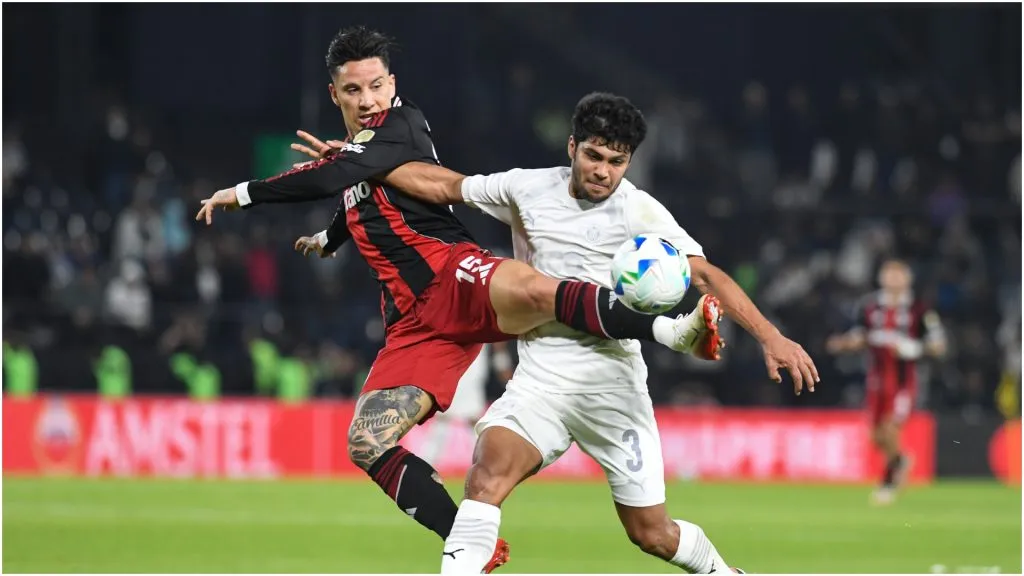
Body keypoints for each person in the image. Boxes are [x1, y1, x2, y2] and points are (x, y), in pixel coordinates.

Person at [195, 26, 746, 572]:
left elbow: (339, 174)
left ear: (393, 84)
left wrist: (244, 194)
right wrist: (329, 236)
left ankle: (673, 330)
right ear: (334, 93)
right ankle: (466, 541)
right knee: (367, 442)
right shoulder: (358, 156)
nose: (369, 101)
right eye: (355, 91)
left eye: (377, 85)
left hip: (451, 269)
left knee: (535, 287)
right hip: (413, 321)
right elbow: (355, 189)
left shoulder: (400, 123)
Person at [293, 92, 814, 573]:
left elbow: (704, 275)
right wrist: (359, 163)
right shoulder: (527, 187)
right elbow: (442, 185)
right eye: (593, 156)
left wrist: (771, 336)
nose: (603, 172)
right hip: (542, 376)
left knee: (652, 533)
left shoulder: (638, 209)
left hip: (613, 383)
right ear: (572, 147)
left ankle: (726, 573)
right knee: (485, 478)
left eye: (616, 162)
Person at [827, 258, 946, 505]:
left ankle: (888, 480)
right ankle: (900, 460)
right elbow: (860, 335)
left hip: (905, 380)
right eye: (888, 274)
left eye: (898, 274)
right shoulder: (870, 306)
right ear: (881, 277)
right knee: (876, 435)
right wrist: (844, 343)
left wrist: (914, 348)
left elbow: (939, 345)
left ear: (907, 279)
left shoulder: (920, 309)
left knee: (891, 428)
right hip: (877, 378)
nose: (893, 279)